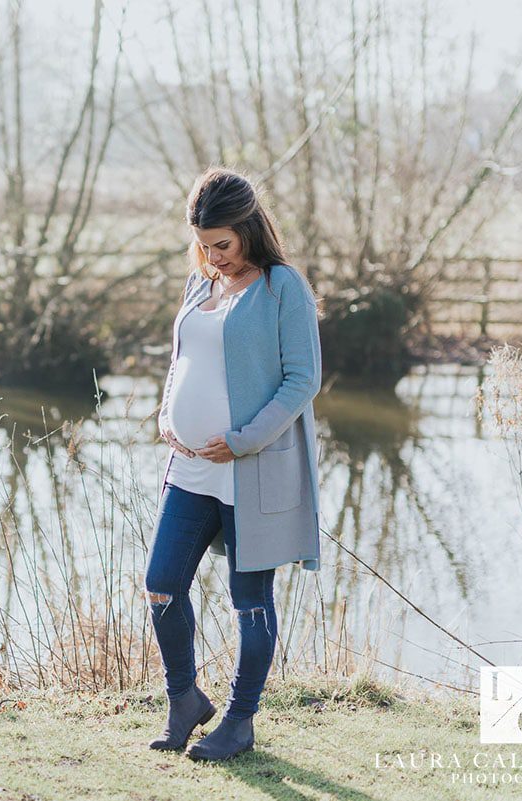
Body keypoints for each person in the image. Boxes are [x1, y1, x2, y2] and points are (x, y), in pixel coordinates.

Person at [146, 166, 324, 761]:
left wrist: (246, 438)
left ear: (249, 228)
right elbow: (184, 359)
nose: (213, 255)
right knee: (161, 586)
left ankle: (240, 720)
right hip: (190, 469)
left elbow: (303, 378)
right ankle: (184, 700)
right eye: (203, 244)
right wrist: (167, 414)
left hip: (251, 472)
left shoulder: (282, 287)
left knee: (250, 601)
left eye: (223, 244)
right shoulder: (201, 284)